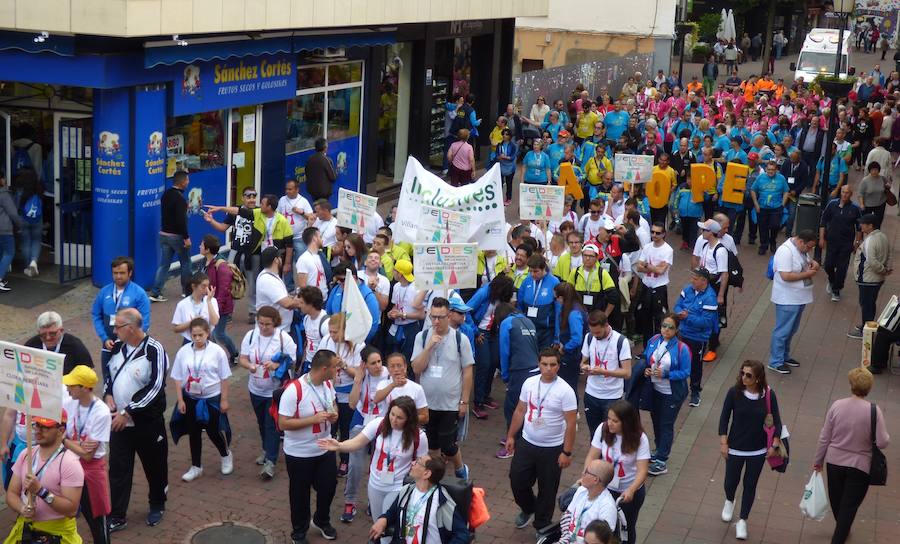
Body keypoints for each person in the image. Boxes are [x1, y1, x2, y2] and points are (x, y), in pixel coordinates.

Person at [319, 396, 428, 534]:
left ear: (409, 418)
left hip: (398, 486)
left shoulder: (419, 436)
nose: (394, 420)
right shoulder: (379, 424)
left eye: (399, 417)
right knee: (378, 524)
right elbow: (357, 443)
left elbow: (423, 463)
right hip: (376, 483)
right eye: (392, 414)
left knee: (389, 525)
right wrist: (339, 446)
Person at [104, 308, 168, 531]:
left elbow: (156, 387)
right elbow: (110, 375)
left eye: (118, 326)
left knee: (155, 466)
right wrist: (108, 394)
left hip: (146, 423)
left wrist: (128, 411)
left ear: (130, 328)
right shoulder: (117, 348)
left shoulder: (155, 350)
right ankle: (117, 515)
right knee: (118, 470)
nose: (114, 330)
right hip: (119, 423)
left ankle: (157, 504)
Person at [505, 348, 578, 535]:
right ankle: (529, 507)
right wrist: (511, 435)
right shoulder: (529, 383)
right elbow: (520, 410)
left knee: (548, 489)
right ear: (539, 364)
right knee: (517, 480)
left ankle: (542, 524)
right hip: (527, 442)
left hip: (552, 448)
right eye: (544, 364)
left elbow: (571, 424)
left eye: (553, 364)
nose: (548, 368)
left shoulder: (565, 391)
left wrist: (566, 452)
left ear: (558, 366)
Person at [814, 367, 890, 543]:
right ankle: (840, 534)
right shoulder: (874, 411)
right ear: (869, 388)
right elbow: (882, 442)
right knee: (849, 506)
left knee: (837, 501)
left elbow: (825, 437)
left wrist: (818, 461)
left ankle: (842, 528)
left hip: (834, 462)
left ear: (851, 384)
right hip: (860, 465)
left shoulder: (837, 405)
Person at [278, 349, 340, 544]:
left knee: (329, 486)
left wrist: (334, 413)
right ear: (324, 368)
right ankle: (299, 531)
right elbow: (283, 423)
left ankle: (321, 520)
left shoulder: (328, 384)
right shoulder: (294, 390)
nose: (338, 370)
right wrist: (312, 419)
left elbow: (333, 404)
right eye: (335, 367)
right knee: (299, 493)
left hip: (324, 447)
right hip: (299, 453)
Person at [718, 360, 783, 541]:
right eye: (742, 373)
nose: (743, 377)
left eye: (749, 375)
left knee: (750, 485)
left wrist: (774, 444)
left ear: (758, 378)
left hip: (758, 450)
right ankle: (730, 499)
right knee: (730, 481)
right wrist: (724, 443)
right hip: (735, 447)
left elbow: (777, 421)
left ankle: (742, 521)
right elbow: (724, 419)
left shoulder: (768, 395)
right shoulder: (734, 393)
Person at [411, 297, 475, 480]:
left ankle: (460, 467)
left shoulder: (460, 339)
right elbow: (417, 368)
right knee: (431, 445)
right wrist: (429, 347)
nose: (437, 321)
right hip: (427, 402)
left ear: (449, 316)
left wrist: (464, 401)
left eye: (441, 317)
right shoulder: (422, 337)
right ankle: (434, 477)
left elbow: (467, 372)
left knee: (448, 444)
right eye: (433, 317)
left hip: (450, 403)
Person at [4, 409, 83, 544]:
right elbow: (11, 493)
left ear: (61, 430)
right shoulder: (26, 454)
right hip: (26, 530)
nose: (38, 431)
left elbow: (71, 510)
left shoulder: (70, 463)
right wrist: (22, 508)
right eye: (36, 425)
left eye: (45, 427)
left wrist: (41, 491)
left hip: (57, 533)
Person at [169, 318, 232, 482]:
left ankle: (225, 454)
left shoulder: (217, 351)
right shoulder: (184, 351)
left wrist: (224, 400)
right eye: (194, 335)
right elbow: (177, 377)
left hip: (211, 397)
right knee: (193, 431)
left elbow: (224, 377)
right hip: (191, 397)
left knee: (213, 430)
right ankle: (196, 466)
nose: (197, 338)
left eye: (200, 335)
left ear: (207, 334)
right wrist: (180, 399)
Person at [239, 305, 297, 479]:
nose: (263, 327)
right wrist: (249, 365)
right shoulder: (250, 336)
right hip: (255, 387)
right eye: (261, 323)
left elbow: (292, 361)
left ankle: (270, 461)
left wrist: (277, 365)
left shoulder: (283, 338)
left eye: (268, 324)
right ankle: (266, 449)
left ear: (275, 323)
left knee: (271, 424)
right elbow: (242, 358)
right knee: (261, 422)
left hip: (275, 390)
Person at [584, 400, 650, 544]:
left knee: (627, 527)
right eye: (609, 419)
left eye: (615, 421)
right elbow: (592, 455)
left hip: (628, 491)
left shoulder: (640, 438)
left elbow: (642, 470)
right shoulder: (602, 429)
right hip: (605, 488)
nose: (610, 423)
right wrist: (586, 476)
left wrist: (631, 490)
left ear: (626, 422)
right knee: (603, 528)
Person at [337, 346, 390, 522]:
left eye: (379, 361)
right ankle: (350, 501)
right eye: (373, 363)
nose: (378, 366)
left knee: (378, 465)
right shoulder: (361, 375)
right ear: (364, 364)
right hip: (361, 420)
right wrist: (358, 380)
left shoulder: (389, 375)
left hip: (383, 423)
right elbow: (352, 404)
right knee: (355, 465)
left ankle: (373, 501)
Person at [368, 453, 470, 544]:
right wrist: (383, 520)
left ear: (426, 473)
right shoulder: (406, 491)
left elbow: (462, 534)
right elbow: (391, 513)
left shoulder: (442, 502)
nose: (413, 463)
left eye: (418, 462)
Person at [62, 365, 111, 544]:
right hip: (70, 465)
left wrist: (65, 441)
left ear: (84, 388)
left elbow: (88, 456)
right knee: (68, 513)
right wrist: (80, 445)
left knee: (97, 519)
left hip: (91, 470)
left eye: (72, 385)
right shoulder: (69, 402)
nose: (67, 388)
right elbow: (81, 449)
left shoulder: (101, 412)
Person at [315, 312, 363, 478]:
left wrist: (343, 365)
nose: (332, 335)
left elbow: (358, 374)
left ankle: (345, 460)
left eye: (336, 332)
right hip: (330, 392)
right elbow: (319, 364)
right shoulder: (326, 341)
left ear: (345, 331)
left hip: (348, 393)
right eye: (330, 331)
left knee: (345, 428)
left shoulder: (357, 345)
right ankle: (326, 458)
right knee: (330, 426)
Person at [642, 313, 691, 476]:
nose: (666, 330)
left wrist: (666, 374)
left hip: (672, 393)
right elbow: (646, 358)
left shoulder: (682, 348)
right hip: (655, 390)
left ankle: (662, 460)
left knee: (666, 424)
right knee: (656, 421)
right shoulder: (654, 340)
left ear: (676, 330)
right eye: (664, 326)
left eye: (671, 327)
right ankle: (659, 450)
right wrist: (648, 369)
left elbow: (685, 372)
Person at [203, 187, 260, 324]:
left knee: (253, 283)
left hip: (253, 253)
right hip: (235, 251)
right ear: (242, 198)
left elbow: (240, 211)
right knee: (229, 282)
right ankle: (227, 311)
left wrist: (221, 208)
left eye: (254, 196)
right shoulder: (234, 213)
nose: (252, 199)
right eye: (248, 196)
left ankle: (253, 311)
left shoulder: (258, 211)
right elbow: (223, 228)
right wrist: (211, 221)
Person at [768, 231, 819, 374]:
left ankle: (784, 356)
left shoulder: (800, 249)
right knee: (783, 330)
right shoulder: (785, 251)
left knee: (791, 329)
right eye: (809, 247)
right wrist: (808, 274)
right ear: (801, 241)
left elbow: (807, 261)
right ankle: (775, 361)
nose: (810, 250)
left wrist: (813, 263)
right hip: (787, 298)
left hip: (798, 297)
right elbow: (785, 276)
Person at [90, 256, 151, 372]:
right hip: (109, 344)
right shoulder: (104, 292)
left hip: (131, 347)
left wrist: (131, 341)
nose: (118, 276)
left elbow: (144, 322)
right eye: (115, 273)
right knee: (108, 380)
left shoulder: (139, 293)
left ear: (130, 273)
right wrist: (104, 338)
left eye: (122, 273)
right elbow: (96, 315)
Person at [580, 311, 632, 438]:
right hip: (591, 394)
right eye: (592, 332)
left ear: (606, 325)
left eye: (598, 332)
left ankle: (608, 458)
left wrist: (605, 372)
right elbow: (583, 361)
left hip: (612, 396)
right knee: (594, 435)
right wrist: (584, 367)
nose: (595, 335)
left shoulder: (620, 341)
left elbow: (627, 373)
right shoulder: (589, 337)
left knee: (610, 435)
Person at [674, 267, 719, 407]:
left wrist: (687, 317)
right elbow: (677, 306)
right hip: (682, 333)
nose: (691, 280)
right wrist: (679, 313)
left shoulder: (710, 298)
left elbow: (706, 322)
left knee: (695, 366)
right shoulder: (687, 290)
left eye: (695, 278)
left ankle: (695, 392)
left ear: (703, 281)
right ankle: (678, 391)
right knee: (678, 362)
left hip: (697, 338)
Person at [149, 170, 191, 302]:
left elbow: (172, 211)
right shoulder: (180, 199)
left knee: (164, 265)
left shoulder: (166, 194)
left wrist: (187, 206)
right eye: (187, 180)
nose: (188, 182)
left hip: (164, 235)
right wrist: (186, 237)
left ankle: (155, 292)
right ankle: (187, 291)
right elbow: (181, 220)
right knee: (185, 262)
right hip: (176, 237)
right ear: (183, 182)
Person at [848, 214, 892, 340]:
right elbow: (886, 255)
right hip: (876, 279)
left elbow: (872, 261)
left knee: (866, 305)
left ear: (870, 225)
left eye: (863, 223)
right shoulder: (882, 236)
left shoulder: (870, 241)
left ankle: (865, 331)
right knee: (870, 303)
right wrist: (884, 270)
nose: (861, 225)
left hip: (868, 278)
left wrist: (883, 270)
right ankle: (867, 325)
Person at [693, 219, 729, 363]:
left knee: (714, 318)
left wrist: (720, 294)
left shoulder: (720, 251)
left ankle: (713, 348)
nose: (702, 232)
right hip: (705, 285)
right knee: (703, 313)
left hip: (714, 287)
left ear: (711, 233)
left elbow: (724, 274)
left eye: (704, 230)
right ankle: (707, 342)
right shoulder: (706, 245)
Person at [558, 460, 617, 544]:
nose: (583, 474)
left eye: (586, 472)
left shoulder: (607, 507)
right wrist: (565, 539)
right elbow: (568, 515)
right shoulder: (581, 490)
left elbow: (603, 540)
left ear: (595, 479)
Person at [820, 186, 862, 303]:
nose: (844, 195)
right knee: (828, 265)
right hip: (832, 241)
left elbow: (859, 228)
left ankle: (837, 289)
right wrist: (822, 238)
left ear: (851, 194)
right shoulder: (832, 204)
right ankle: (832, 280)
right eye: (843, 192)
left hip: (846, 243)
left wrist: (857, 242)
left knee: (842, 268)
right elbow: (823, 221)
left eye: (847, 193)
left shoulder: (855, 209)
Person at [199, 234, 237, 364]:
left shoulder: (221, 266)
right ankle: (212, 356)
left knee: (218, 333)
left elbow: (224, 289)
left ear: (208, 249)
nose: (199, 246)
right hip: (208, 304)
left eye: (202, 244)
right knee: (211, 333)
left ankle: (235, 354)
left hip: (220, 306)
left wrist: (217, 308)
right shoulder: (205, 262)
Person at [633, 222, 673, 344]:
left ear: (663, 234)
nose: (654, 235)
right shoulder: (647, 247)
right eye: (652, 232)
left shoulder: (667, 250)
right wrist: (652, 267)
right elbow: (638, 267)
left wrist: (646, 265)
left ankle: (658, 347)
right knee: (645, 319)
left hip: (659, 288)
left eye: (657, 233)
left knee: (659, 320)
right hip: (646, 286)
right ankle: (647, 349)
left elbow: (661, 271)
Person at [25, 311, 93, 374]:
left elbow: (88, 375)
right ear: (38, 332)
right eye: (43, 335)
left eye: (52, 333)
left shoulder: (75, 346)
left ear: (61, 330)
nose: (48, 338)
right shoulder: (31, 346)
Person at [517, 254, 560, 349]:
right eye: (530, 271)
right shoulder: (526, 281)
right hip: (528, 330)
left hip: (546, 332)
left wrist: (557, 337)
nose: (532, 274)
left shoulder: (554, 282)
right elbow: (519, 306)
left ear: (543, 268)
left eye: (536, 271)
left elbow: (558, 312)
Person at [374, 352, 429, 425]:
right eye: (392, 366)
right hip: (386, 426)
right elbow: (376, 399)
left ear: (405, 367)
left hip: (408, 428)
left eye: (399, 365)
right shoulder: (383, 384)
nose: (396, 369)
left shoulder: (417, 388)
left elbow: (425, 417)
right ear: (388, 369)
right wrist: (393, 385)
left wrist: (404, 420)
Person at [278, 179, 315, 288]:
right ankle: (289, 288)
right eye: (286, 189)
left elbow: (312, 217)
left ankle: (302, 288)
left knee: (301, 264)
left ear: (297, 189)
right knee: (285, 263)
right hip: (284, 238)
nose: (287, 191)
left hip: (299, 237)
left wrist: (301, 212)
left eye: (290, 189)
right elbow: (278, 215)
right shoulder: (282, 200)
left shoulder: (303, 201)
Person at [257, 246, 302, 332]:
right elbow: (287, 304)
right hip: (274, 332)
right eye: (280, 257)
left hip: (278, 329)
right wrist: (303, 303)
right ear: (276, 260)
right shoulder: (268, 280)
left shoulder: (270, 276)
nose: (281, 259)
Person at [553, 283, 587, 395]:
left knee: (569, 387)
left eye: (556, 298)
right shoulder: (574, 307)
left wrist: (565, 349)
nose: (556, 300)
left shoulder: (573, 314)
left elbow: (577, 339)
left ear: (562, 297)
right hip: (570, 355)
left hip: (571, 356)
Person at [750, 160, 790, 255]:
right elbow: (753, 190)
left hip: (776, 207)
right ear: (766, 169)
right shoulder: (760, 177)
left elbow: (786, 191)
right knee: (762, 227)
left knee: (775, 225)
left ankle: (772, 241)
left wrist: (783, 204)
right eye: (768, 169)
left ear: (776, 170)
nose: (770, 171)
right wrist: (756, 203)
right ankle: (763, 245)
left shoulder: (781, 178)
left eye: (772, 169)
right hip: (762, 206)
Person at [171, 272, 220, 344]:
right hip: (189, 341)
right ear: (193, 286)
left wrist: (208, 301)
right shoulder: (182, 304)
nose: (207, 290)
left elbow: (215, 322)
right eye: (203, 286)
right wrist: (191, 323)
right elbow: (176, 329)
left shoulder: (212, 300)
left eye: (208, 286)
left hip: (208, 340)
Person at [295, 226, 329, 299]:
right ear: (314, 238)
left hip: (324, 300)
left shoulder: (320, 256)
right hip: (313, 303)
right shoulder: (303, 259)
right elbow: (302, 287)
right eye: (320, 237)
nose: (322, 240)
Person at [0, 172, 20, 291]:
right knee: (9, 252)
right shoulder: (4, 194)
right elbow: (13, 213)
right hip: (4, 228)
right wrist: (20, 224)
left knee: (2, 253)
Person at [857, 162, 889, 227]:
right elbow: (860, 194)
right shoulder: (865, 181)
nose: (874, 172)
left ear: (879, 170)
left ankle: (876, 234)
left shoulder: (882, 178)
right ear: (869, 171)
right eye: (872, 170)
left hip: (880, 204)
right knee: (867, 223)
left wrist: (888, 186)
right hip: (868, 205)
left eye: (876, 170)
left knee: (878, 222)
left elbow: (887, 186)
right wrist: (862, 204)